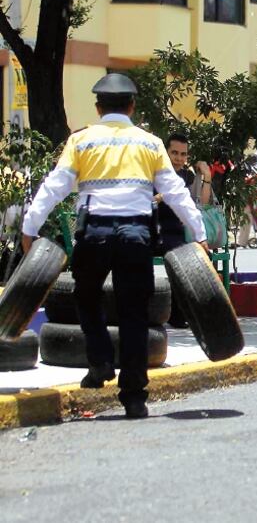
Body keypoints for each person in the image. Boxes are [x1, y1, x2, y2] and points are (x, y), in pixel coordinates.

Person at [20, 73, 207, 419]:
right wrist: (199, 232)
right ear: (132, 106)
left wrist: (29, 227)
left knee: (85, 298)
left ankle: (101, 360)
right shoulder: (150, 144)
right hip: (136, 236)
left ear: (97, 106)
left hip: (94, 234)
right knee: (135, 313)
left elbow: (54, 186)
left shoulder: (82, 141)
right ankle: (134, 397)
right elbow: (177, 192)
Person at [156, 133, 213, 327]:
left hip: (181, 234)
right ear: (166, 153)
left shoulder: (187, 176)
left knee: (203, 257)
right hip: (156, 233)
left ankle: (205, 311)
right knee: (179, 257)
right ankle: (176, 315)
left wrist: (207, 177)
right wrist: (162, 196)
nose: (179, 158)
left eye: (183, 154)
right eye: (175, 153)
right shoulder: (154, 174)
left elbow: (202, 204)